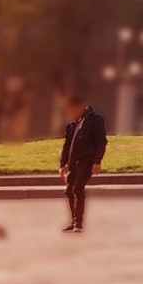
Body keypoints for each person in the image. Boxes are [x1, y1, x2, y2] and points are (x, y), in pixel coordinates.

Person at [57, 92, 107, 235]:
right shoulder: (72, 125)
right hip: (74, 163)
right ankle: (74, 221)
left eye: (72, 109)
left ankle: (78, 222)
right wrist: (63, 164)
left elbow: (101, 142)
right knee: (69, 191)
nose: (70, 113)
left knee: (78, 188)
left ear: (79, 106)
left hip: (87, 161)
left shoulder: (95, 120)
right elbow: (67, 146)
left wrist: (97, 161)